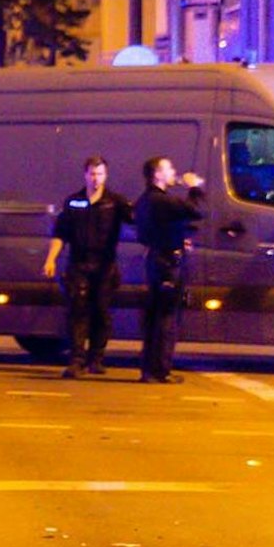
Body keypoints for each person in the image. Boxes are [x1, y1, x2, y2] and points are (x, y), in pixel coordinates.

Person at [41, 156, 133, 378]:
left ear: (106, 175)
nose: (96, 178)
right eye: (92, 174)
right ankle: (76, 360)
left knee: (101, 313)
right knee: (77, 312)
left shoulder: (115, 202)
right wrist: (51, 259)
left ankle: (96, 358)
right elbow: (60, 234)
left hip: (105, 267)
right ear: (85, 175)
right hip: (78, 264)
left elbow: (138, 221)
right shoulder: (73, 201)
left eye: (100, 173)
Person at [133, 156, 206, 383]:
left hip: (156, 260)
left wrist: (176, 236)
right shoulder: (160, 200)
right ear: (157, 175)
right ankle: (160, 370)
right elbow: (195, 211)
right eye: (169, 168)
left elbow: (160, 227)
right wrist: (194, 187)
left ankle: (149, 369)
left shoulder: (146, 200)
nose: (174, 171)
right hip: (167, 265)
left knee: (154, 317)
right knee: (166, 318)